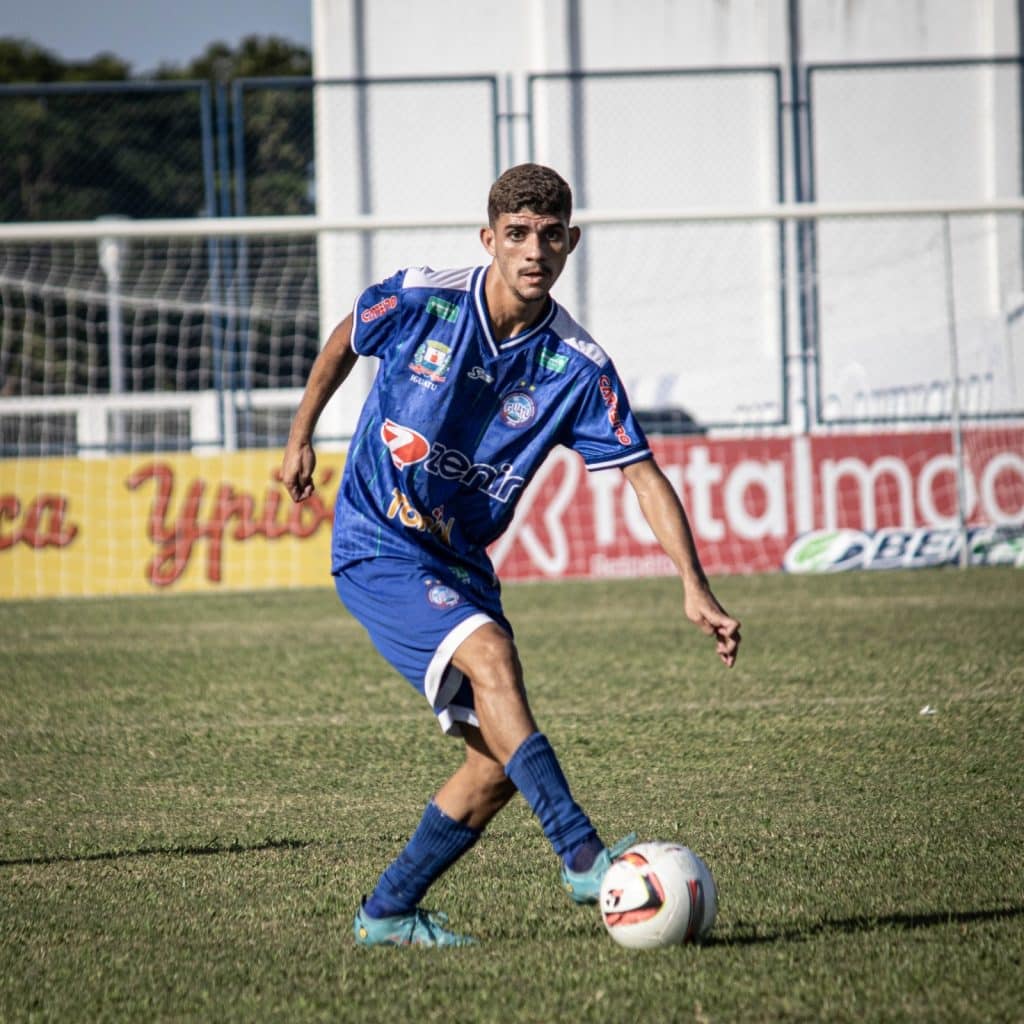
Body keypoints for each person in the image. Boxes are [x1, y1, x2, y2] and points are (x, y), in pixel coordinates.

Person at [281, 163, 741, 947]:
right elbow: (345, 339)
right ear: (489, 238)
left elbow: (642, 473)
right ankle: (584, 855)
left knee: (493, 768)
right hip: (376, 541)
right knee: (492, 657)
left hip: (460, 561)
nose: (535, 251)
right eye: (519, 235)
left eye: (551, 235)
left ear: (571, 242)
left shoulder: (578, 366)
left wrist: (693, 586)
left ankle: (386, 913)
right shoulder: (423, 298)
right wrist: (299, 438)